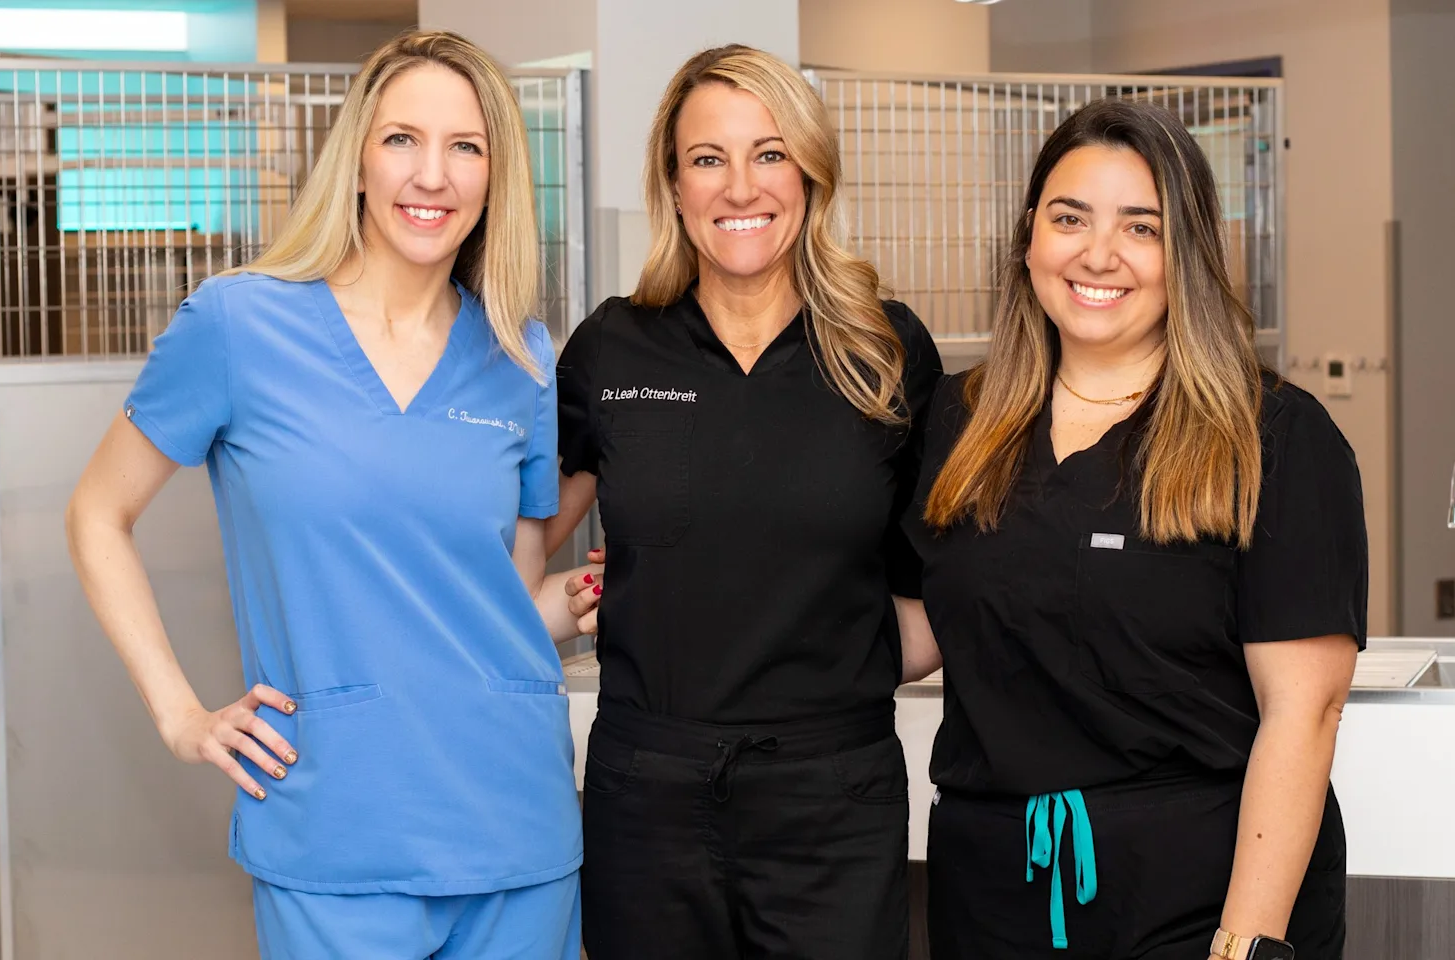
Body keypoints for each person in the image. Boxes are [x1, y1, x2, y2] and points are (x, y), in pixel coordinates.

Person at [64, 30, 587, 960]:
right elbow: (97, 515)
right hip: (333, 828)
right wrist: (180, 713)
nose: (432, 175)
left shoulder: (523, 358)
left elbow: (504, 601)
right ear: (354, 157)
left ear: (495, 176)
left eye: (465, 147)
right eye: (401, 140)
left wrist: (607, 597)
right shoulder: (239, 323)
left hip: (516, 827)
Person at [905, 98, 1366, 960]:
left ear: (1185, 253)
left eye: (1140, 227)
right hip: (989, 890)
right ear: (1029, 236)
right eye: (1069, 217)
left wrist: (1248, 942)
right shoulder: (962, 418)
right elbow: (928, 624)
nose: (1098, 254)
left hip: (1196, 897)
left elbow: (1303, 712)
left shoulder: (1273, 437)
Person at [550, 44, 943, 960]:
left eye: (769, 154)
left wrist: (835, 676)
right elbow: (514, 544)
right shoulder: (614, 347)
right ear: (673, 184)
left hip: (833, 800)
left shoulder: (886, 350)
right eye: (707, 158)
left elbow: (950, 579)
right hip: (644, 793)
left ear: (809, 172)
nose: (740, 188)